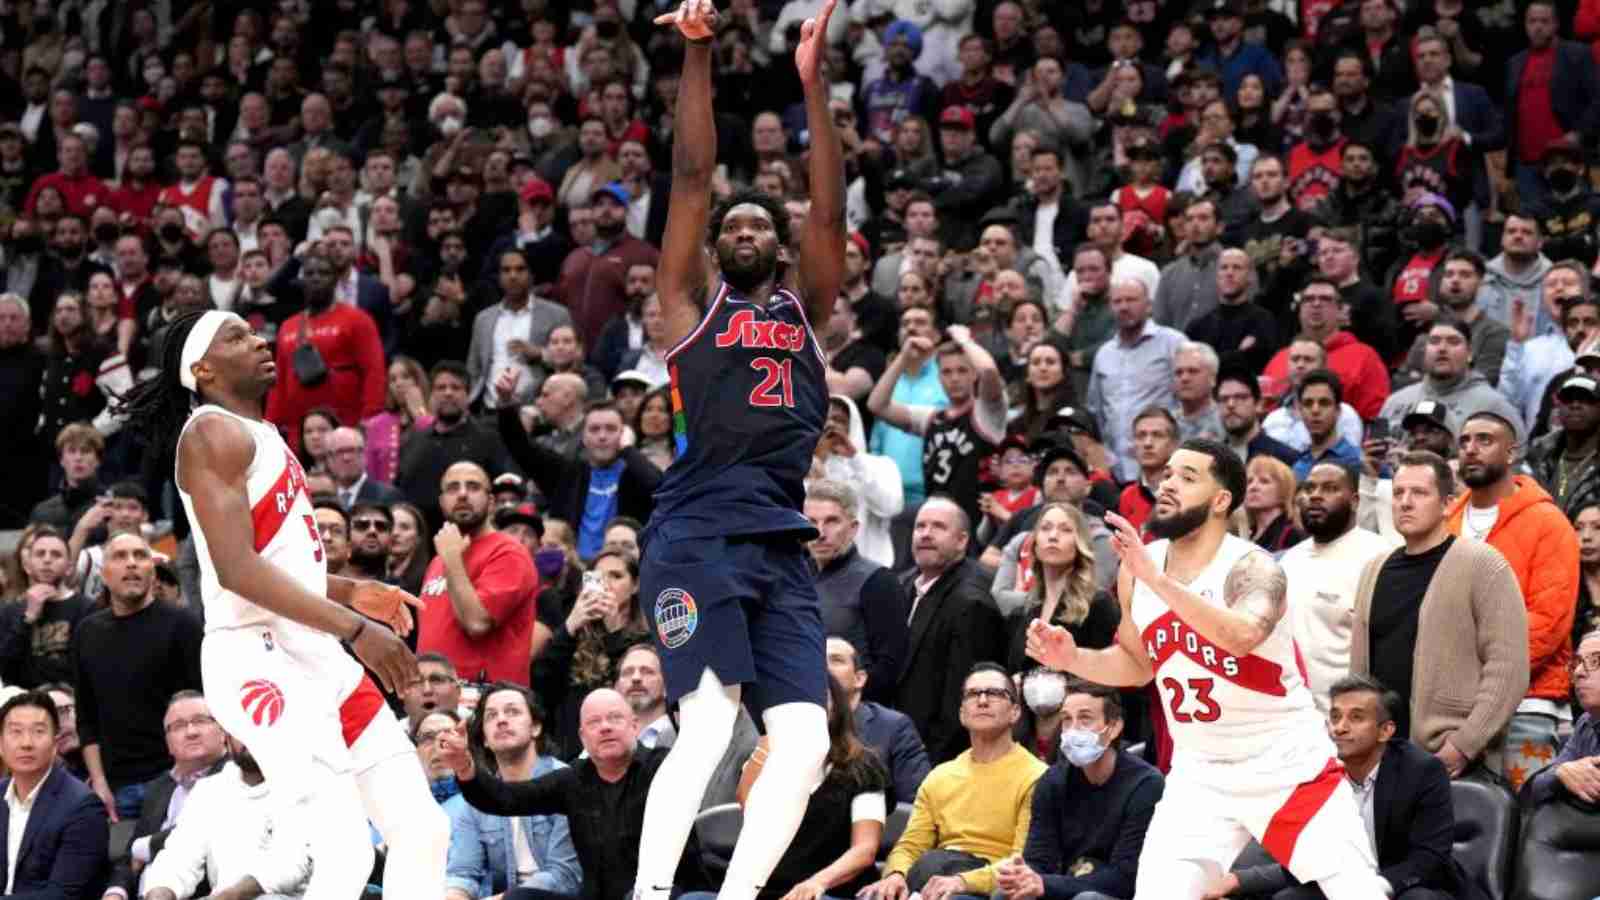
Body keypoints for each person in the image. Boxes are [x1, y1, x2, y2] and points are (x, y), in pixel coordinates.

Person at [112, 308, 449, 900]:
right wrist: (356, 629)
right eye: (236, 336)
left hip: (311, 649)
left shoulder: (265, 435)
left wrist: (350, 591)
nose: (259, 339)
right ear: (203, 367)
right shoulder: (212, 432)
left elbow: (283, 570)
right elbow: (237, 571)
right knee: (342, 848)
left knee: (422, 828)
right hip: (254, 658)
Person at [632, 3, 846, 899]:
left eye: (764, 222)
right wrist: (698, 50)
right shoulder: (691, 310)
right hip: (698, 534)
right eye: (734, 226)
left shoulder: (810, 308)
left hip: (780, 544)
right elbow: (690, 172)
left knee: (806, 743)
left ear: (784, 245)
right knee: (711, 726)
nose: (746, 227)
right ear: (716, 250)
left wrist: (813, 85)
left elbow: (829, 200)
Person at [1025, 438, 1388, 898]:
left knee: (1356, 889)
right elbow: (1138, 667)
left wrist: (1159, 581)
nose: (1169, 483)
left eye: (1188, 477)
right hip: (1200, 769)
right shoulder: (1141, 565)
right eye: (1169, 473)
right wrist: (1073, 658)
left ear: (1221, 500)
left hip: (1283, 760)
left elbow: (1241, 636)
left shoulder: (1254, 566)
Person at [1351, 452, 1529, 778]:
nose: (1405, 502)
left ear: (1447, 504)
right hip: (1381, 759)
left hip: (1452, 761)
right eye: (1399, 493)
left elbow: (1509, 668)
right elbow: (1360, 672)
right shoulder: (1374, 570)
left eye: (1419, 493)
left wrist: (1463, 745)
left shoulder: (1482, 563)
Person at [437, 688, 708, 900]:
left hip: (666, 893)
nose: (605, 727)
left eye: (615, 718)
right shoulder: (574, 779)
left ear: (634, 726)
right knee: (521, 897)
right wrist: (464, 765)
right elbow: (505, 798)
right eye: (594, 722)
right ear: (582, 737)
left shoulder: (665, 767)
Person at [1219, 676, 1467, 900]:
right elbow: (1307, 860)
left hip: (1409, 885)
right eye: (1336, 717)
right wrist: (1239, 880)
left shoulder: (1422, 771)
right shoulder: (1316, 772)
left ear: (1385, 731)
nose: (1340, 727)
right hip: (1345, 883)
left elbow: (1429, 857)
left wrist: (1372, 889)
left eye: (1356, 717)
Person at [1444, 411, 1580, 789]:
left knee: (1525, 822)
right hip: (1456, 710)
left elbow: (1548, 624)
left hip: (1527, 705)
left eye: (1485, 440)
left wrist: (1481, 682)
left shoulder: (1548, 522)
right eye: (1465, 441)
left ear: (1511, 451)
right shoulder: (1447, 521)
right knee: (1463, 829)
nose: (1471, 449)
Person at [857, 663, 1047, 900]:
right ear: (961, 713)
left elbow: (1023, 863)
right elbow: (910, 846)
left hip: (989, 889)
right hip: (934, 877)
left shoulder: (1037, 776)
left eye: (995, 693)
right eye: (973, 694)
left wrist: (962, 882)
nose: (983, 700)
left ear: (1015, 712)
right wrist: (895, 875)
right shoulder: (941, 776)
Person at [716, 672, 890, 900]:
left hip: (829, 891)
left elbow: (864, 850)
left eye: (816, 698)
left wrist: (816, 884)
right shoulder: (766, 757)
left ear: (835, 706)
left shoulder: (863, 766)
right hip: (764, 889)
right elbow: (750, 812)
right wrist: (766, 746)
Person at [73, 532, 204, 823]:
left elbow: (203, 704)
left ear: (152, 572)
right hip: (116, 787)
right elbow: (86, 716)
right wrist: (99, 782)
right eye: (120, 556)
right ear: (104, 574)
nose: (131, 564)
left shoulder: (182, 624)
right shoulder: (86, 632)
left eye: (140, 555)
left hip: (178, 782)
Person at [995, 680, 1164, 900]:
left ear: (1113, 727)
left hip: (1117, 894)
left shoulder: (1146, 784)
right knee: (1006, 895)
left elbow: (1126, 878)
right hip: (1064, 886)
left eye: (1085, 719)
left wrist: (1046, 883)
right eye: (1066, 719)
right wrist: (1022, 875)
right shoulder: (1052, 781)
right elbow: (1039, 858)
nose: (1073, 729)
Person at [1002, 503, 1122, 760]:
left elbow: (1108, 675)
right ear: (1034, 543)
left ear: (1079, 543)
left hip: (1078, 731)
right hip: (1029, 734)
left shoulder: (1098, 603)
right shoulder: (1027, 609)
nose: (1053, 535)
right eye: (1045, 528)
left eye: (1065, 529)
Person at [138, 732, 316, 900]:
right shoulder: (209, 790)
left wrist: (226, 897)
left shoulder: (305, 783)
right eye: (240, 726)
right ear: (226, 734)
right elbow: (179, 855)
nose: (249, 734)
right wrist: (160, 891)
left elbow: (288, 864)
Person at [445, 684, 582, 900]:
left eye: (512, 712)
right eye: (491, 716)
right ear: (484, 740)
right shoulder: (476, 798)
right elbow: (462, 873)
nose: (501, 720)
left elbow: (564, 875)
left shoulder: (566, 781)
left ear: (535, 728)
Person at [1280, 463, 1398, 712]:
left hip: (1348, 721)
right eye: (1309, 488)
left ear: (1355, 500)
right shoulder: (1291, 559)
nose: (1315, 496)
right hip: (1290, 716)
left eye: (1330, 488)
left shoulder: (1378, 557)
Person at [867, 324, 1006, 530]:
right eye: (947, 372)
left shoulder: (987, 413)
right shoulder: (931, 418)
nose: (955, 378)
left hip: (977, 525)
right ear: (938, 377)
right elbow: (877, 405)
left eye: (962, 370)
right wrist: (904, 357)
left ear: (973, 374)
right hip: (938, 522)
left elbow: (988, 369)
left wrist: (964, 340)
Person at [898, 498, 1006, 763]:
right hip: (901, 744)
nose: (925, 534)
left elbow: (962, 700)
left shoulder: (971, 602)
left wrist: (931, 762)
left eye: (938, 527)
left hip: (936, 755)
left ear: (961, 540)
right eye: (920, 526)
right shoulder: (903, 584)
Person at [416, 461, 539, 687]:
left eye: (473, 487)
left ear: (491, 502)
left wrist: (452, 560)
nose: (462, 494)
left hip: (485, 697)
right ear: (442, 503)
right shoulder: (439, 558)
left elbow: (477, 624)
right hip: (434, 694)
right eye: (453, 488)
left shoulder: (508, 552)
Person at [102, 691, 228, 900]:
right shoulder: (160, 787)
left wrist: (143, 847)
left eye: (200, 721)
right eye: (178, 726)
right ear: (168, 743)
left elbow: (194, 835)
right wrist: (116, 892)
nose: (191, 732)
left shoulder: (236, 778)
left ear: (223, 731)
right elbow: (128, 858)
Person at [0, 690, 109, 899]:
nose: (26, 743)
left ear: (55, 744)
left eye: (38, 731)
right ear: (1, 745)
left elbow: (62, 894)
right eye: (16, 732)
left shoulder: (83, 806)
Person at [806, 481, 908, 703]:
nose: (820, 532)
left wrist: (846, 710)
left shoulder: (879, 581)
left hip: (858, 716)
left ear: (853, 528)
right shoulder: (794, 578)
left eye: (831, 521)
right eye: (812, 522)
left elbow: (890, 667)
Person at [1523, 628, 1600, 806]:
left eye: (1596, 661)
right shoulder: (1586, 722)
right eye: (1578, 662)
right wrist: (1560, 773)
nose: (1579, 672)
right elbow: (1535, 790)